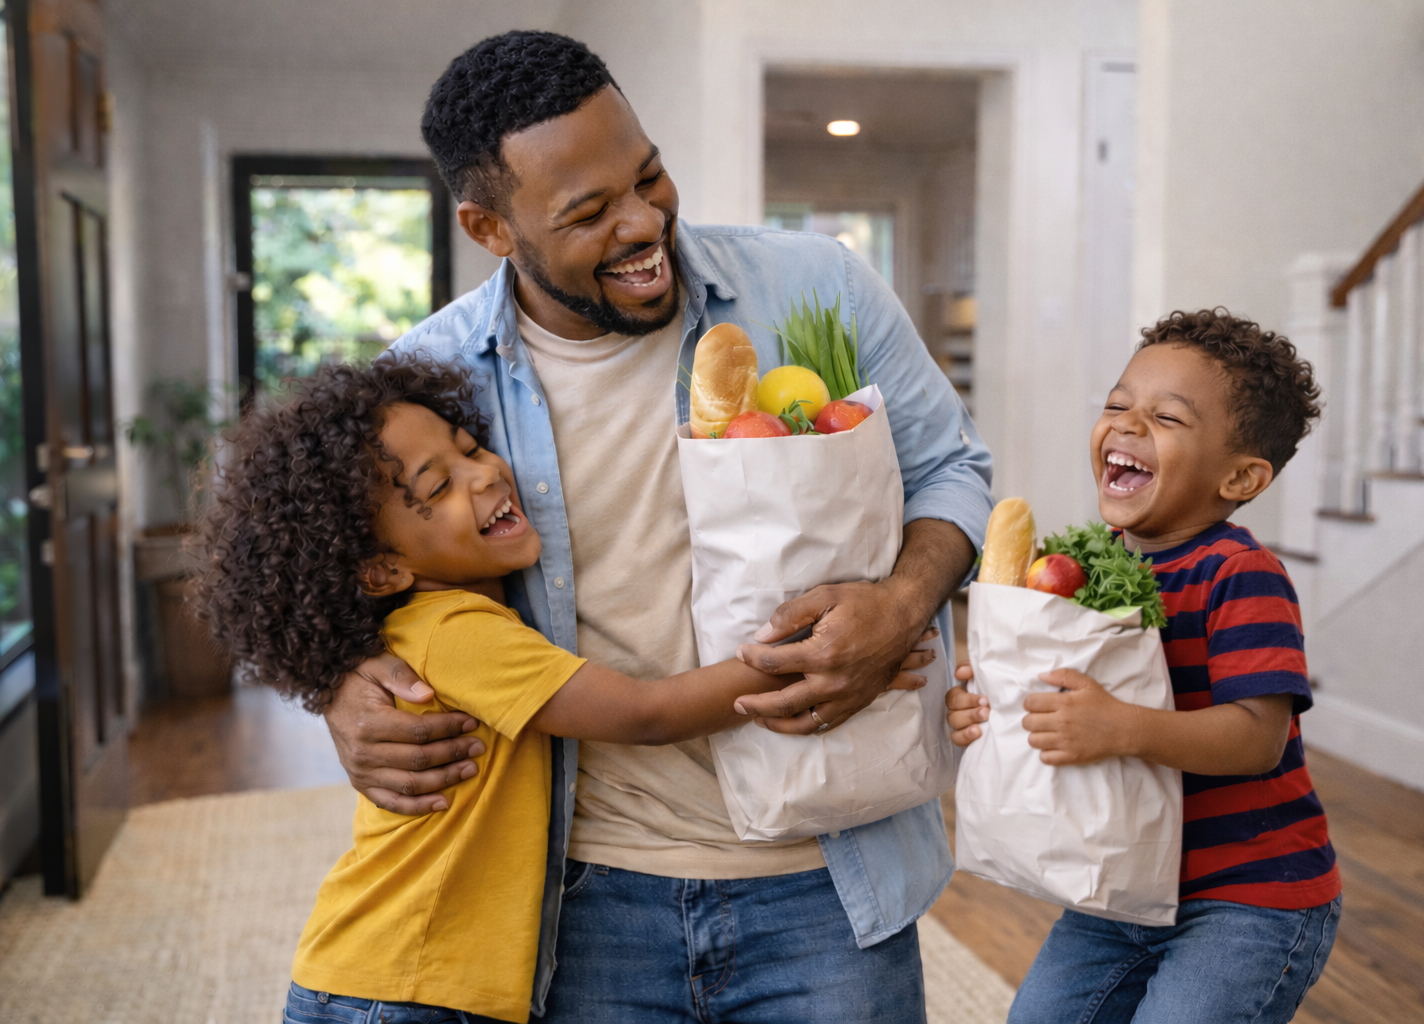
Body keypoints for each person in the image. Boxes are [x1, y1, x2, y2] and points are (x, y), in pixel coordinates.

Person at [317, 31, 993, 1022]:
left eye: (649, 175)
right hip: (582, 896)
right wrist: (340, 687)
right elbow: (337, 572)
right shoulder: (429, 383)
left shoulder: (815, 284)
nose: (642, 224)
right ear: (490, 226)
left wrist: (899, 604)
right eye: (588, 212)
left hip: (829, 878)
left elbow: (952, 468)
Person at [192, 358, 936, 1024]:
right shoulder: (455, 634)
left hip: (423, 983)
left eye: (470, 447)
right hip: (398, 990)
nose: (482, 473)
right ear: (381, 571)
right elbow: (645, 714)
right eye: (439, 486)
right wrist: (816, 655)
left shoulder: (461, 620)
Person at [946, 309, 1342, 1024]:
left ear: (1241, 477)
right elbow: (1069, 698)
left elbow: (1258, 739)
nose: (1127, 425)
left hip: (1246, 898)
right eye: (1117, 405)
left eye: (1166, 417)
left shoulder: (1241, 574)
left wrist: (1120, 726)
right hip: (1123, 880)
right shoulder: (1091, 567)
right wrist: (995, 699)